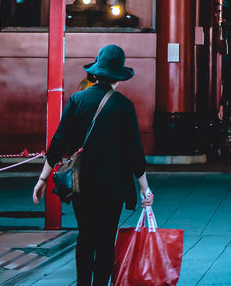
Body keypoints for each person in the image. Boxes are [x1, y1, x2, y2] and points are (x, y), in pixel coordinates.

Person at [34, 44, 152, 286]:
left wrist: (43, 178)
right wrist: (144, 187)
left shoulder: (77, 100)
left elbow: (58, 142)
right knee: (107, 239)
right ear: (118, 77)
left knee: (86, 236)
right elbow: (134, 152)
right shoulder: (124, 106)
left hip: (82, 183)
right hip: (114, 184)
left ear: (96, 73)